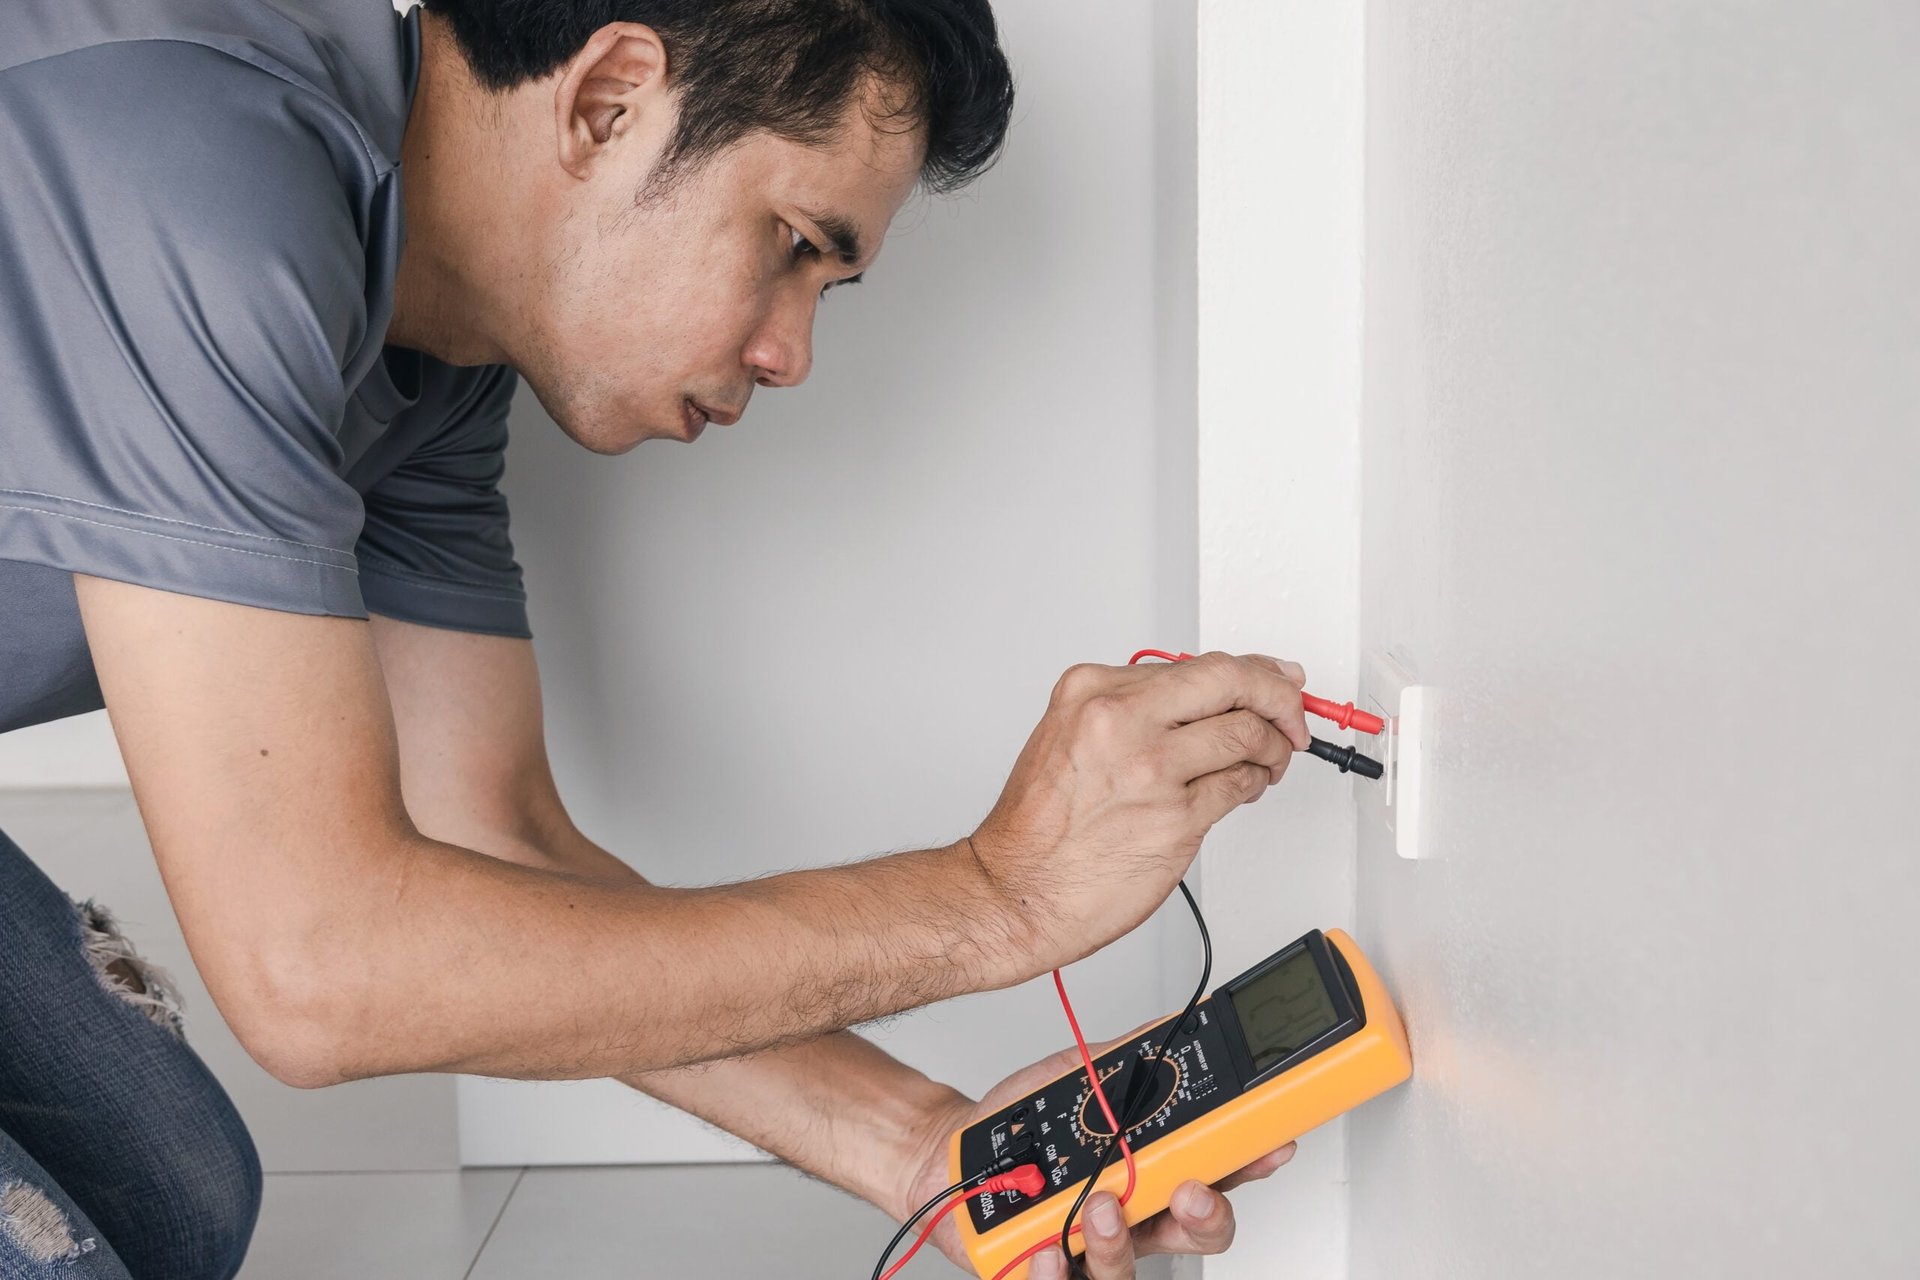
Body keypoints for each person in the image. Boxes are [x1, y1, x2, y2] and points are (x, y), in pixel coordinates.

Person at [0, 1, 1310, 1276]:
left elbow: (487, 837)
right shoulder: (194, 172)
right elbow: (316, 965)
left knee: (177, 1204)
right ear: (609, 101)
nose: (792, 354)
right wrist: (993, 900)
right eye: (792, 242)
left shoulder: (438, 351)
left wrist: (926, 1149)